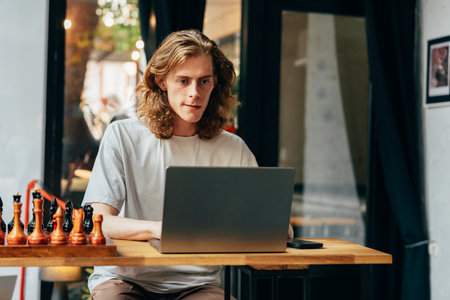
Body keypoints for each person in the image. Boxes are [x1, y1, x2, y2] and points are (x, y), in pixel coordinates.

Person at [81, 29, 259, 299]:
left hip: (197, 285)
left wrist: (277, 228)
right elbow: (98, 220)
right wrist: (157, 228)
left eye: (204, 81)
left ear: (215, 83)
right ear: (162, 81)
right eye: (183, 81)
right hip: (125, 279)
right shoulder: (123, 136)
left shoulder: (233, 149)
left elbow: (272, 224)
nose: (194, 93)